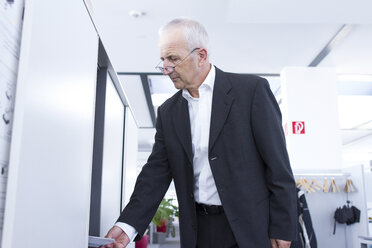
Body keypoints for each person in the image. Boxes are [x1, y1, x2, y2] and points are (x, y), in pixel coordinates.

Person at [103, 18, 297, 248]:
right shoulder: (168, 112)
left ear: (201, 56)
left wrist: (283, 228)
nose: (166, 68)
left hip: (251, 229)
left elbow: (278, 166)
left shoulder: (251, 92)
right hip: (198, 232)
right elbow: (155, 175)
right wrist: (127, 226)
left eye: (173, 59)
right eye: (163, 60)